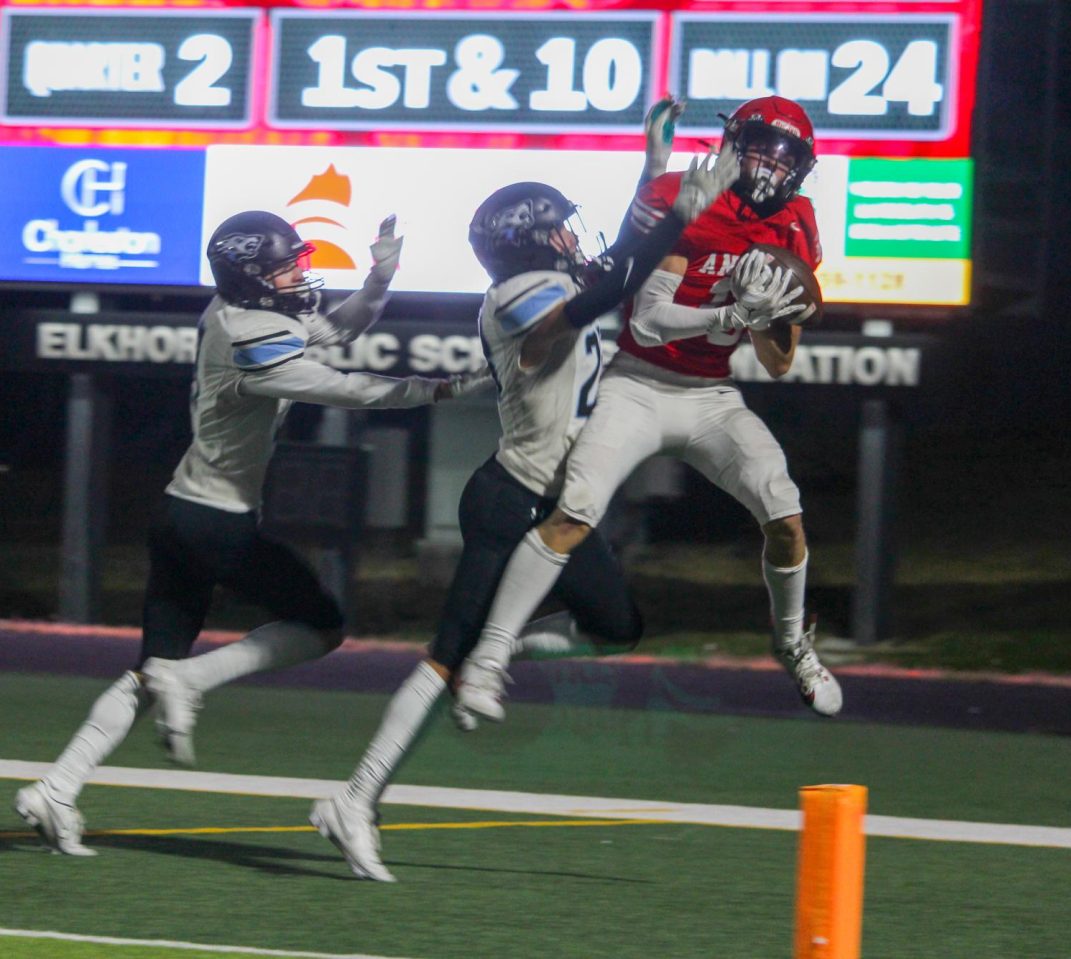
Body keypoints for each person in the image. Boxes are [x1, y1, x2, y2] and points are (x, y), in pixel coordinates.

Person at [309, 135, 739, 882]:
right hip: (513, 501)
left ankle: (494, 651)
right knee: (444, 656)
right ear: (533, 241)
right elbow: (601, 292)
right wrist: (674, 226)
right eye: (562, 227)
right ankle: (354, 798)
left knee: (616, 627)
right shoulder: (519, 297)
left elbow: (614, 264)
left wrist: (654, 171)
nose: (576, 237)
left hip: (561, 506)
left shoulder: (544, 282)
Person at [14, 210, 484, 856]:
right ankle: (192, 681)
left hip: (180, 511)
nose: (300, 273)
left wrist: (378, 279)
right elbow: (351, 390)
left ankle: (57, 787)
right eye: (286, 265)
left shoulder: (242, 312)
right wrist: (445, 388)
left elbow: (337, 332)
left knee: (151, 670)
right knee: (320, 624)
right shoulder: (253, 338)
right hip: (215, 520)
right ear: (253, 277)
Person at [456, 95, 843, 726]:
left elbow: (778, 362)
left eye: (786, 155)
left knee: (786, 516)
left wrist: (771, 311)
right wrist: (731, 312)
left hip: (712, 396)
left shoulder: (795, 222)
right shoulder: (692, 195)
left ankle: (793, 641)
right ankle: (488, 659)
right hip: (638, 382)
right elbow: (654, 319)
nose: (772, 167)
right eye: (761, 148)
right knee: (574, 510)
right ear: (731, 143)